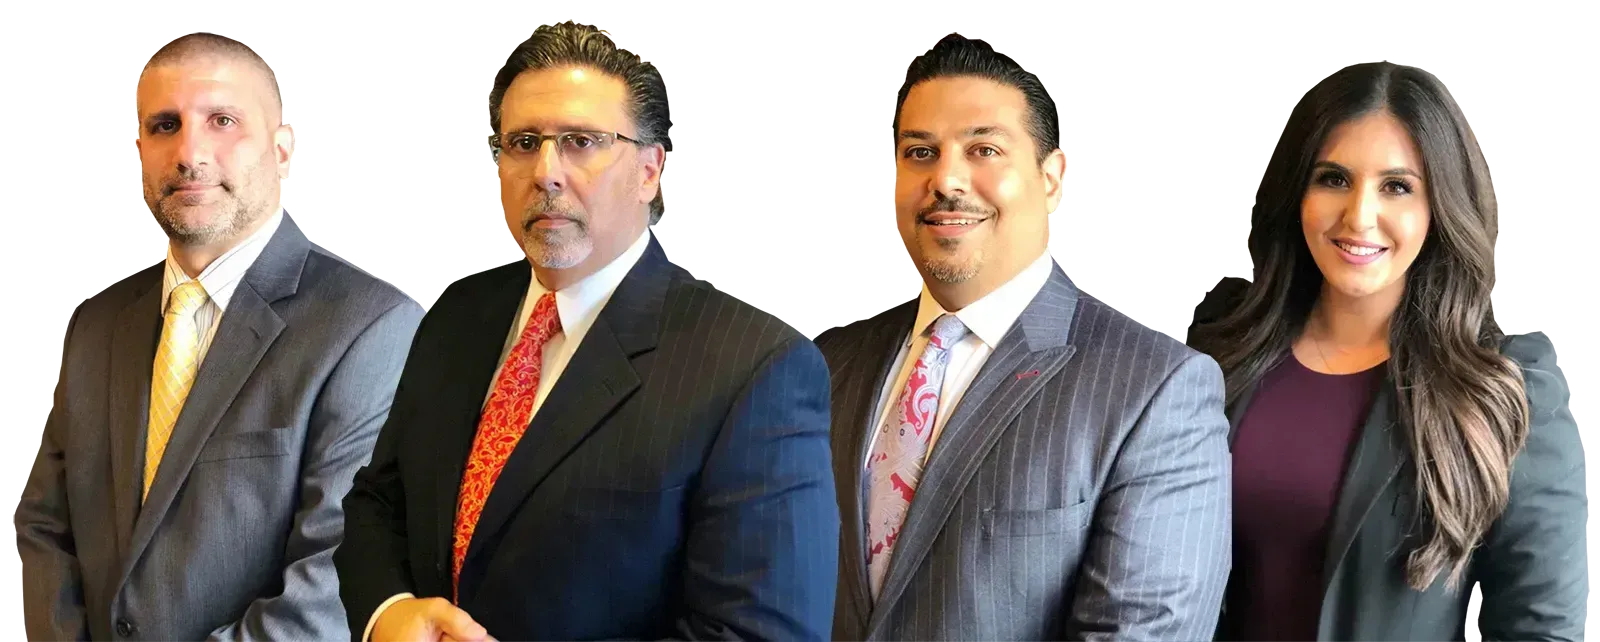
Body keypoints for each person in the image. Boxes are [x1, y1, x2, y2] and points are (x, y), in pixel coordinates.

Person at [334, 20, 840, 642]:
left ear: (650, 172)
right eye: (522, 142)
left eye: (580, 141)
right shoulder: (453, 321)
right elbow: (376, 504)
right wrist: (389, 613)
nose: (546, 171)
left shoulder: (755, 367)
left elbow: (758, 634)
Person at [816, 34, 1232, 642]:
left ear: (1053, 177)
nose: (947, 179)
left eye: (982, 148)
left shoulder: (1155, 391)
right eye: (920, 152)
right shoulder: (826, 367)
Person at [14, 33, 425, 641]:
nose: (188, 151)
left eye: (223, 120)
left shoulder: (370, 327)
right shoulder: (93, 322)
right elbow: (43, 527)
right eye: (163, 125)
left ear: (282, 151)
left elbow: (334, 577)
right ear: (139, 155)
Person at [1187, 64, 1588, 642]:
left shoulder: (1506, 379)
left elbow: (1545, 627)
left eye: (1396, 186)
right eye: (1333, 179)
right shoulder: (1221, 348)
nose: (1358, 216)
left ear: (1439, 206)